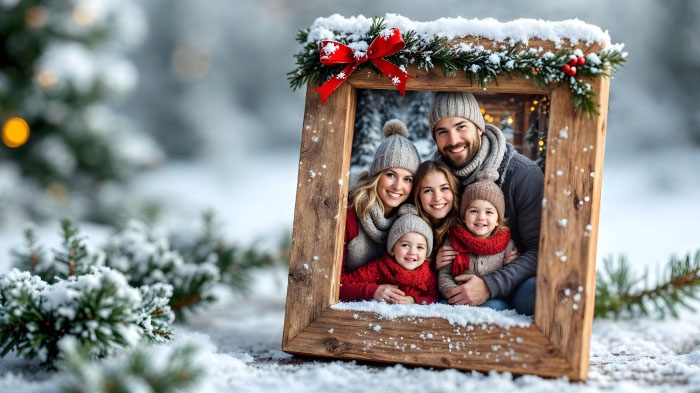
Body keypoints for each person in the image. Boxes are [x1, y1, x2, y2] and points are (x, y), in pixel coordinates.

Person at [429, 92, 543, 316]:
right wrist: (434, 255)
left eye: (461, 127)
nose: (453, 141)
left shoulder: (521, 174)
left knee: (539, 292)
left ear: (479, 127)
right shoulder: (436, 178)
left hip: (514, 279)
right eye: (443, 132)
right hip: (455, 281)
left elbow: (539, 249)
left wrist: (491, 285)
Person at [339, 119, 421, 302]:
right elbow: (329, 283)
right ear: (377, 175)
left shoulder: (411, 220)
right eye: (391, 175)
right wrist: (370, 291)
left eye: (407, 179)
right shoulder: (351, 214)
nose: (398, 186)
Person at [437, 170, 518, 311]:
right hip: (457, 298)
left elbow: (511, 277)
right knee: (441, 308)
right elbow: (444, 275)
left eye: (489, 212)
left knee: (494, 308)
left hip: (492, 299)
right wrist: (455, 294)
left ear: (498, 220)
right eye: (474, 211)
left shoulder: (506, 243)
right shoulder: (454, 241)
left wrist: (514, 262)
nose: (481, 217)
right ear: (464, 216)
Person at [342, 205, 440, 305]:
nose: (412, 252)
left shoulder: (427, 275)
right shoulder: (378, 268)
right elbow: (344, 285)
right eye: (405, 245)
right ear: (392, 249)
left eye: (420, 247)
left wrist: (414, 300)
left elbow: (435, 297)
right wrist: (372, 291)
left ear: (427, 254)